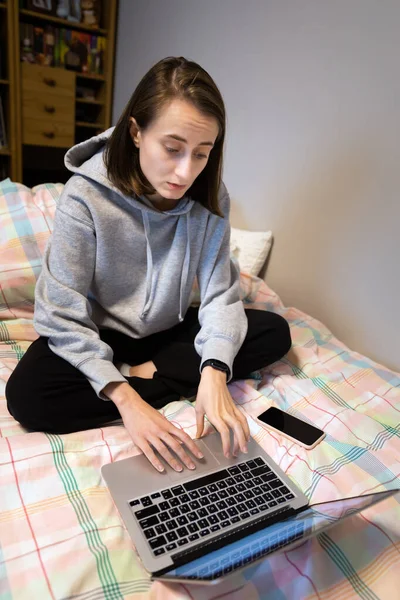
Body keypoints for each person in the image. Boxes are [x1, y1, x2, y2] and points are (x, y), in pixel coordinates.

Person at [6, 56, 291, 473]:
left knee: (273, 331)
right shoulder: (84, 196)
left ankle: (149, 375)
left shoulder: (211, 198)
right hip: (102, 330)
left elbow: (220, 293)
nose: (185, 171)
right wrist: (125, 398)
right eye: (173, 149)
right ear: (137, 132)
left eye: (201, 154)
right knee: (28, 396)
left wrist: (213, 369)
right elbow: (59, 312)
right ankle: (139, 385)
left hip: (166, 332)